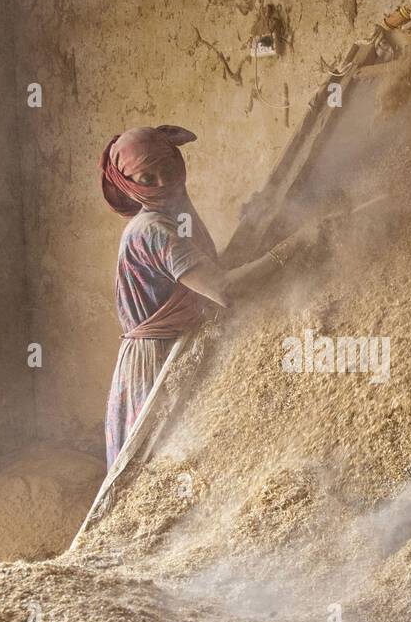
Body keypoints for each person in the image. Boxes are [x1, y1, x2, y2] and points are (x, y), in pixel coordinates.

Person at [99, 124, 302, 469]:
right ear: (128, 186)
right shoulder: (152, 229)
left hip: (174, 347)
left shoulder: (172, 218)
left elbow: (199, 272)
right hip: (156, 363)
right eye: (147, 178)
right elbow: (224, 290)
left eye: (168, 169)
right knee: (155, 468)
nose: (164, 183)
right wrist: (294, 247)